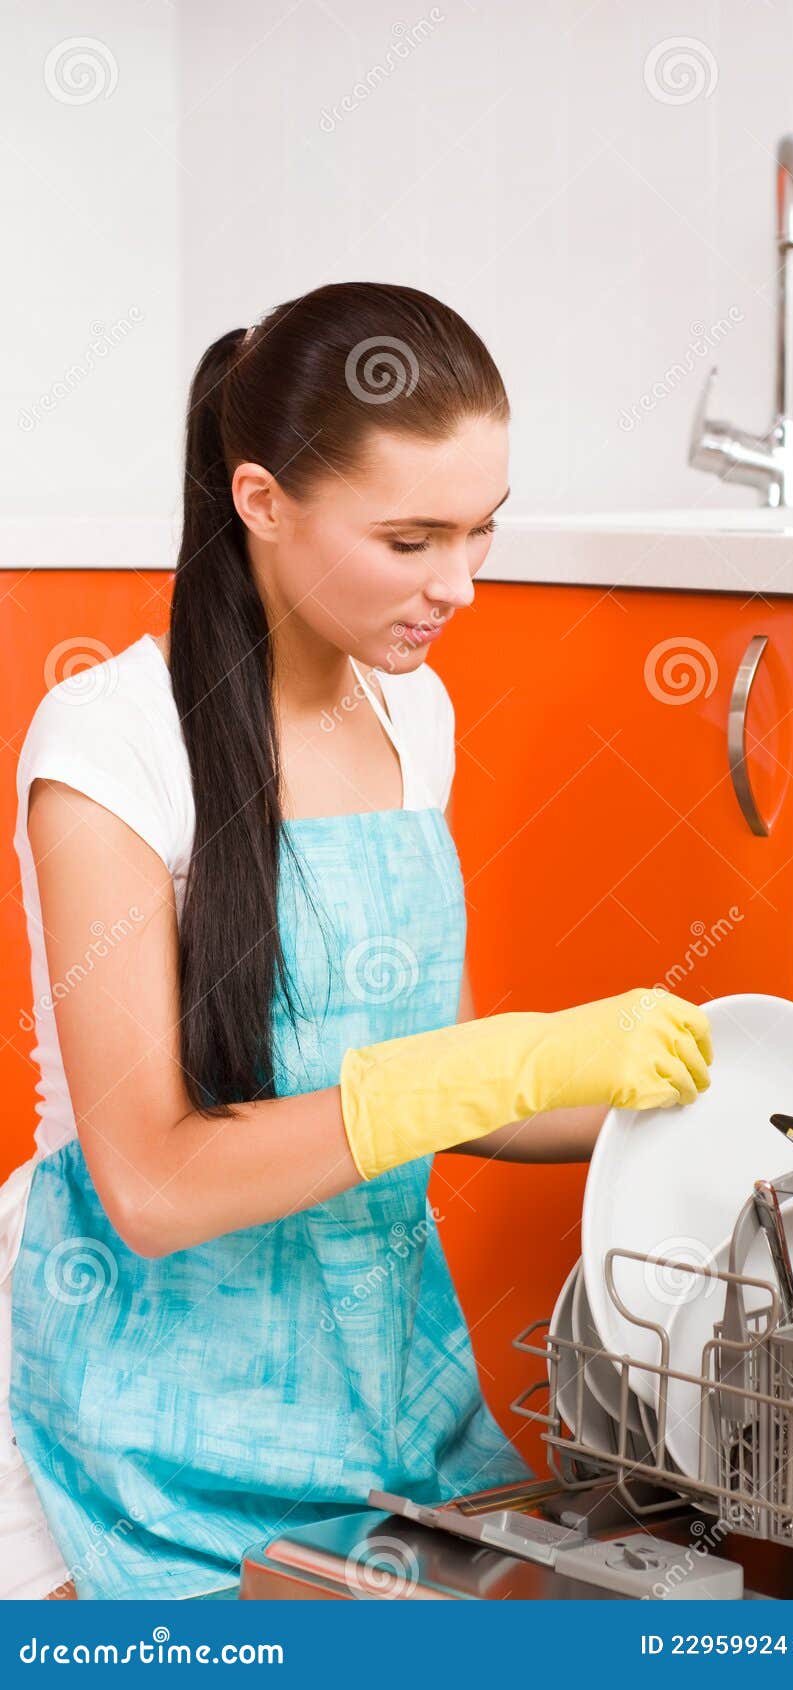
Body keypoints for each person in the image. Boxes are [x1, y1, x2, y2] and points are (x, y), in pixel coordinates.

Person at [0, 282, 713, 1600]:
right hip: (125, 1411)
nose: (461, 584)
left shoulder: (411, 714)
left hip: (377, 1391)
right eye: (411, 538)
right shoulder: (112, 751)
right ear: (262, 502)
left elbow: (412, 1088)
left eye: (482, 532)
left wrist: (723, 1099)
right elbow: (153, 1187)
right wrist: (494, 1060)